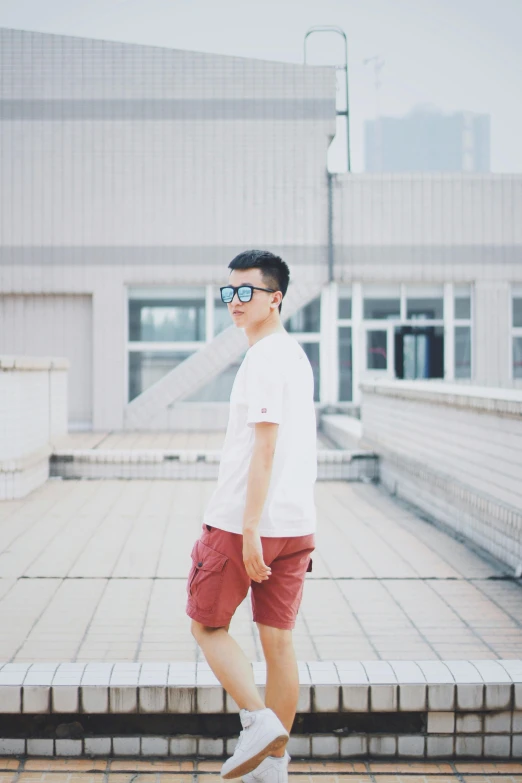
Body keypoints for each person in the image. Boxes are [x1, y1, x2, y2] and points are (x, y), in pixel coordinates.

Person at [186, 249, 317, 782]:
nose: (235, 303)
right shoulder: (295, 355)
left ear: (276, 298)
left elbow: (264, 450)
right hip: (297, 523)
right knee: (279, 642)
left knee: (206, 625)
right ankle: (275, 767)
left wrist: (246, 532)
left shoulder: (264, 358)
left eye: (248, 293)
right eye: (230, 293)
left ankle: (256, 721)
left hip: (248, 523)